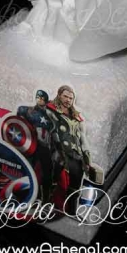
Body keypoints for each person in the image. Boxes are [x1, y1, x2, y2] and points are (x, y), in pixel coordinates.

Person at [46, 85, 92, 214]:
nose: (68, 100)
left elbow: (83, 138)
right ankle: (46, 206)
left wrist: (87, 157)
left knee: (75, 188)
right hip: (57, 151)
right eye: (65, 96)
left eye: (71, 98)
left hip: (75, 155)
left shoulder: (78, 117)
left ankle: (71, 213)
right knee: (53, 182)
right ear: (59, 95)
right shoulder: (50, 110)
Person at [17, 90, 53, 202]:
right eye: (38, 97)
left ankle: (45, 198)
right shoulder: (28, 111)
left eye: (42, 98)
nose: (40, 99)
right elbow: (19, 113)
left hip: (45, 146)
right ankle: (32, 196)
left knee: (47, 171)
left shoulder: (51, 115)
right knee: (29, 169)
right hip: (33, 144)